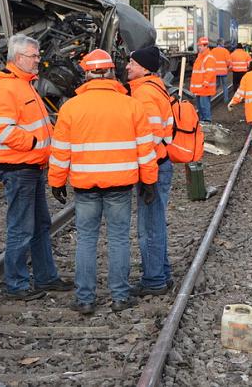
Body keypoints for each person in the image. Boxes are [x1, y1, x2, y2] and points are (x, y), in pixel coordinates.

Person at [49, 49, 158, 315]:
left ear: (86, 74)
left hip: (85, 185)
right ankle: (120, 296)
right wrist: (149, 181)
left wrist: (57, 181)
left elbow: (60, 149)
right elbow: (145, 148)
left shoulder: (71, 108)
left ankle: (85, 298)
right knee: (119, 238)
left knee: (86, 239)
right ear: (111, 72)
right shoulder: (131, 105)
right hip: (120, 184)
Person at [0, 34, 73, 301]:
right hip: (19, 168)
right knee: (22, 228)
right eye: (34, 56)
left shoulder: (25, 84)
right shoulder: (7, 87)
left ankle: (46, 277)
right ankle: (16, 285)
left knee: (39, 225)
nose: (39, 60)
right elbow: (2, 131)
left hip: (32, 167)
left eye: (38, 55)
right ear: (18, 58)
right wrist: (36, 142)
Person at [125, 45, 174, 296]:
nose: (127, 67)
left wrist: (146, 175)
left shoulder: (144, 94)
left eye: (131, 63)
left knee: (149, 227)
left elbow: (150, 138)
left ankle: (154, 280)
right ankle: (162, 274)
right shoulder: (155, 88)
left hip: (153, 167)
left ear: (143, 67)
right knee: (155, 223)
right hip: (159, 164)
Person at [189, 36, 216, 123]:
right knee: (200, 106)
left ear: (205, 46)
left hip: (204, 87)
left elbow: (210, 72)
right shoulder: (200, 57)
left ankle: (207, 121)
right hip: (200, 88)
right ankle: (203, 121)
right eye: (199, 45)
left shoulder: (208, 57)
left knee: (204, 106)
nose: (199, 47)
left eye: (200, 46)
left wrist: (205, 83)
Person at [210, 39, 232, 104]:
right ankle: (226, 99)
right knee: (225, 85)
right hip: (223, 71)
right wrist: (227, 66)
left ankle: (211, 97)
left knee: (216, 84)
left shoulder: (213, 51)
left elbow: (210, 60)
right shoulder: (225, 51)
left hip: (215, 71)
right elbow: (228, 62)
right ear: (222, 43)